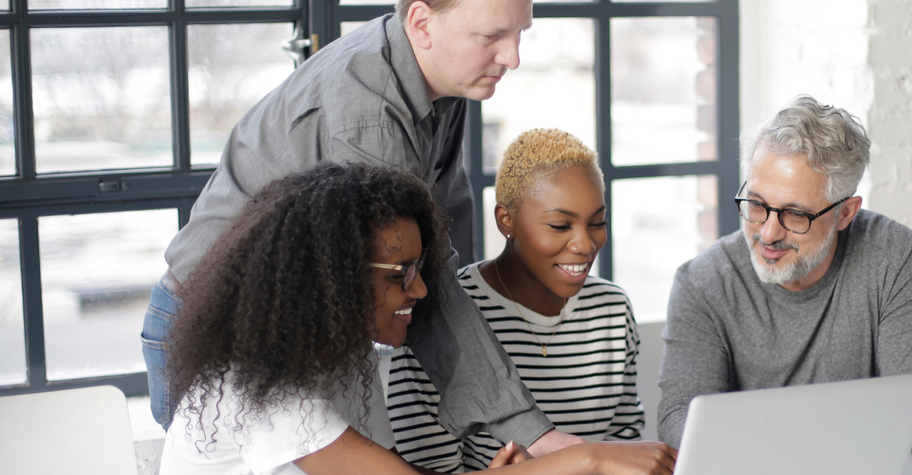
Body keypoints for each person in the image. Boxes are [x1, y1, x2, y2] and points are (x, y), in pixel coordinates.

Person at [142, 0, 583, 454]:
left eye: (520, 33)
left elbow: (447, 222)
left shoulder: (445, 79)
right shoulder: (369, 111)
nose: (513, 57)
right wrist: (532, 434)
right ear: (422, 23)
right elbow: (423, 273)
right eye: (492, 37)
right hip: (221, 332)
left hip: (303, 332)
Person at [159, 163, 676, 475]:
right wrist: (585, 460)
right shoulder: (262, 388)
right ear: (333, 278)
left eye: (420, 268)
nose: (422, 289)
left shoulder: (344, 360)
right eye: (400, 273)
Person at [657, 95, 912, 451]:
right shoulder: (702, 282)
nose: (767, 233)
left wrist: (767, 440)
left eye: (795, 214)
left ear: (845, 213)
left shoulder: (895, 259)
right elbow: (680, 420)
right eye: (756, 204)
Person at [387, 129, 644, 472]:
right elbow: (423, 469)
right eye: (559, 225)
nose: (585, 244)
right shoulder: (440, 319)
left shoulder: (612, 309)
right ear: (506, 220)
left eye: (598, 222)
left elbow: (624, 448)